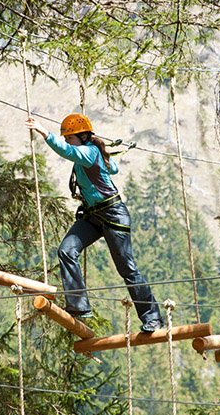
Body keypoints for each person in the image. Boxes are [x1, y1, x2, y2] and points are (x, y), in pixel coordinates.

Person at [27, 113, 163, 332]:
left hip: (113, 214)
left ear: (81, 137)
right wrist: (105, 156)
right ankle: (78, 305)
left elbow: (70, 152)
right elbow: (113, 168)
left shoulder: (88, 152)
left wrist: (45, 133)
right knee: (66, 250)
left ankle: (152, 317)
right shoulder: (91, 153)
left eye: (69, 137)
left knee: (127, 268)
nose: (66, 142)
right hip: (93, 215)